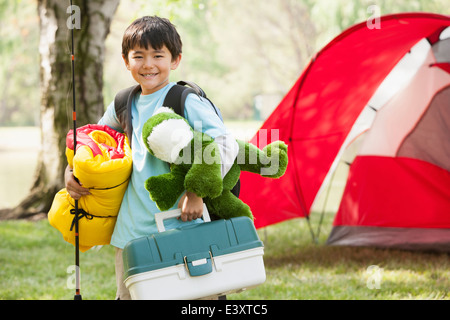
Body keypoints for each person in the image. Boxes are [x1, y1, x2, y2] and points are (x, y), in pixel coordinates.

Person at [64, 16, 239, 300]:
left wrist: (196, 193)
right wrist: (72, 171)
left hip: (186, 227)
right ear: (125, 60)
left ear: (175, 59)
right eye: (139, 56)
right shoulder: (123, 102)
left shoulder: (186, 100)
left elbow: (224, 144)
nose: (148, 64)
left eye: (158, 55)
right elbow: (93, 144)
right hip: (131, 234)